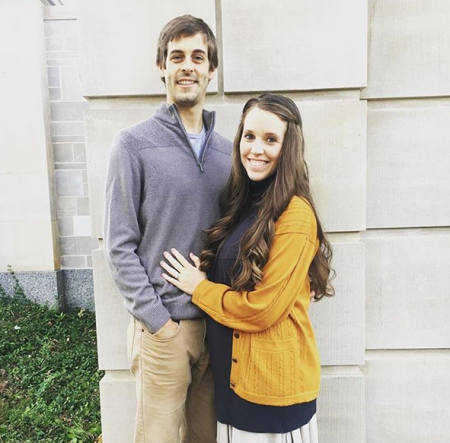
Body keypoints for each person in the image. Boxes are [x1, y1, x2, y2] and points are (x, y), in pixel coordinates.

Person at [161, 93, 335, 443]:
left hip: (271, 392)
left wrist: (199, 287)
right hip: (233, 386)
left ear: (289, 148)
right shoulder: (242, 203)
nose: (256, 148)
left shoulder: (295, 214)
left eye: (271, 139)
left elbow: (263, 309)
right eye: (249, 136)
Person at [103, 15, 232, 443]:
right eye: (177, 57)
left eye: (198, 56)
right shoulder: (133, 145)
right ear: (162, 66)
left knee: (206, 438)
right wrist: (160, 323)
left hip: (217, 328)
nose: (187, 66)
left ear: (211, 70)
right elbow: (119, 246)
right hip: (164, 331)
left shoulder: (229, 153)